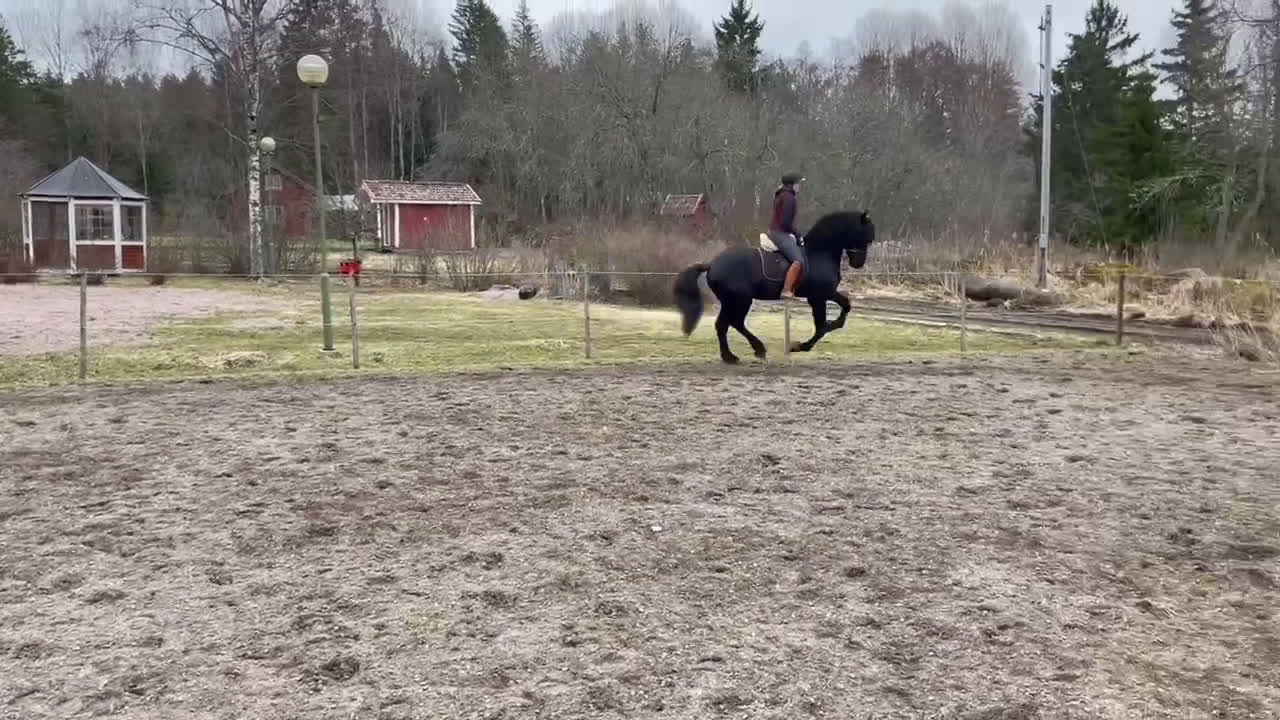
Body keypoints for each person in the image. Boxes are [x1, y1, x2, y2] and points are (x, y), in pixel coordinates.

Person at [768, 173, 805, 298]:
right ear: (791, 185)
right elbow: (785, 222)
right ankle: (786, 289)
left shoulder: (781, 195)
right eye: (798, 183)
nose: (800, 186)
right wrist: (797, 233)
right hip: (780, 233)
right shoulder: (789, 197)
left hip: (776, 231)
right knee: (798, 260)